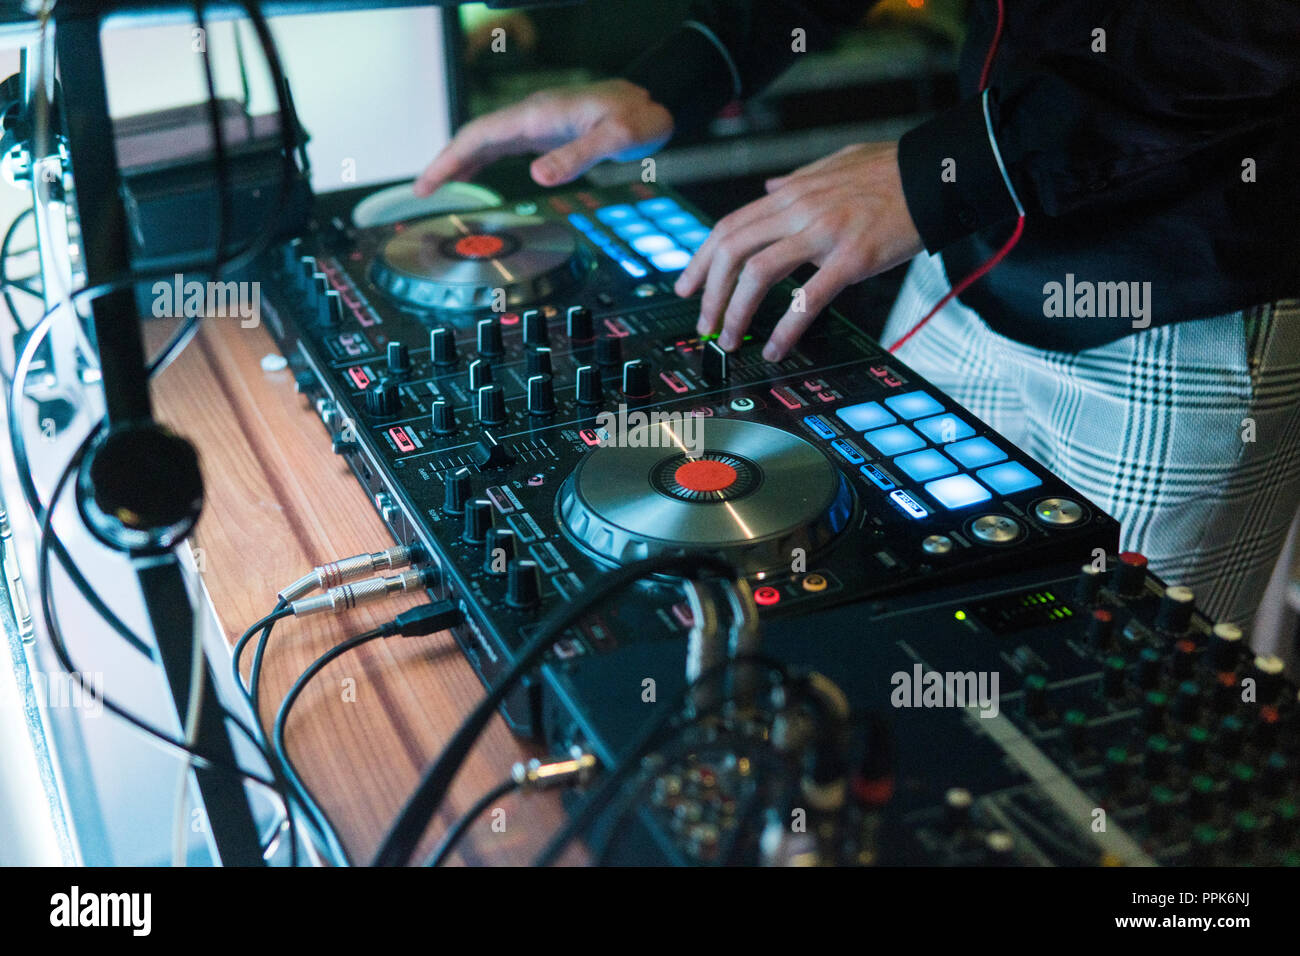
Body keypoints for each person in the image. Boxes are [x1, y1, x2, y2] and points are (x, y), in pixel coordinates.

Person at [415, 0, 1300, 632]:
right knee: (891, 624)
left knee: (1111, 700)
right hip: (960, 251)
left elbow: (1241, 30)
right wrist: (680, 77)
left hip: (1177, 314)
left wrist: (942, 168)